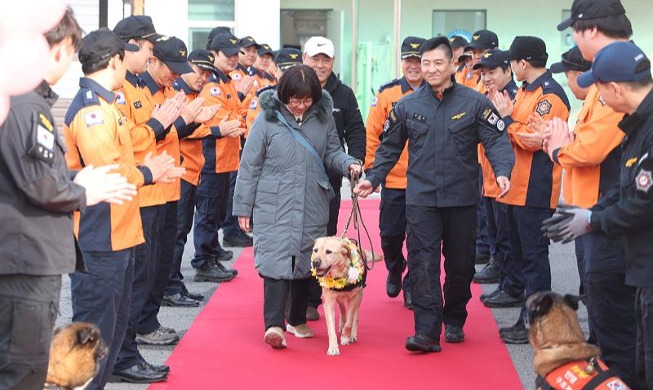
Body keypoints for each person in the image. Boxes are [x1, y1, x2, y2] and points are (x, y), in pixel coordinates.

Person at [0, 10, 137, 390]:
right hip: (25, 259)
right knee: (23, 369)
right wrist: (83, 190)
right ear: (56, 50)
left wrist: (75, 178)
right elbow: (38, 183)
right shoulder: (27, 104)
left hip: (25, 255)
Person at [355, 37, 514, 353]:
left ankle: (454, 317)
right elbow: (388, 149)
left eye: (437, 63)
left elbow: (497, 141)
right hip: (422, 199)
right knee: (423, 263)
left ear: (453, 64)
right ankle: (426, 332)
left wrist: (502, 170)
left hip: (462, 199)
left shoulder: (474, 102)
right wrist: (372, 179)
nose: (430, 69)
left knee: (460, 265)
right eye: (425, 63)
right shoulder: (407, 106)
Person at [63, 28, 180, 389]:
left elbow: (128, 147)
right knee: (94, 337)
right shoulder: (92, 111)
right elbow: (109, 171)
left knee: (110, 332)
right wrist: (148, 172)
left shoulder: (107, 103)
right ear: (114, 60)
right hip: (101, 236)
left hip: (118, 231)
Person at [233, 64, 361, 349]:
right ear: (283, 95)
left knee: (308, 260)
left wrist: (348, 163)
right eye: (295, 99)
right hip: (272, 202)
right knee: (275, 261)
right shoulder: (267, 119)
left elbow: (332, 152)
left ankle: (296, 318)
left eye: (306, 100)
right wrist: (243, 206)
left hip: (312, 198)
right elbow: (250, 165)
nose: (301, 105)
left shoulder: (323, 117)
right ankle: (274, 325)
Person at [542, 45, 638, 388]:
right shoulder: (600, 101)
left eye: (572, 74)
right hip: (593, 213)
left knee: (617, 323)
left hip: (608, 222)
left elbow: (588, 150)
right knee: (599, 305)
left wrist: (558, 148)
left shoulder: (609, 103)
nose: (570, 82)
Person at [112, 15, 183, 379]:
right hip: (134, 194)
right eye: (149, 48)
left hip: (152, 188)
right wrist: (158, 126)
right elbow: (126, 142)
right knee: (132, 280)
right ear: (130, 46)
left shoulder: (138, 86)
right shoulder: (119, 89)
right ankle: (121, 356)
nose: (152, 55)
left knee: (141, 276)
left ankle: (127, 352)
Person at [490, 36, 571, 344]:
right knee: (523, 256)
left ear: (523, 63)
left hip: (534, 189)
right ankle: (528, 317)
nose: (511, 68)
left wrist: (508, 120)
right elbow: (518, 130)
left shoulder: (551, 95)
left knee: (534, 258)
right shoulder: (525, 91)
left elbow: (534, 140)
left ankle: (538, 324)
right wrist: (511, 123)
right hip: (516, 187)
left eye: (513, 62)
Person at [303, 36, 366, 321]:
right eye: (315, 58)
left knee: (325, 237)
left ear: (332, 62)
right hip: (295, 180)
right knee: (298, 240)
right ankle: (298, 297)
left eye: (325, 59)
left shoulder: (344, 94)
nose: (319, 64)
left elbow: (355, 130)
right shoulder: (293, 88)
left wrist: (355, 163)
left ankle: (318, 295)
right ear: (304, 59)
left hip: (328, 180)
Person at [364, 36, 426, 309]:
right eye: (408, 60)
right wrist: (371, 170)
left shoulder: (437, 92)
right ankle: (394, 265)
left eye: (418, 61)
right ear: (401, 62)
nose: (413, 66)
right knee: (390, 235)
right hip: (394, 179)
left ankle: (412, 283)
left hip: (425, 182)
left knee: (420, 237)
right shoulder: (388, 94)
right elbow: (372, 134)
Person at [164, 49, 221, 307]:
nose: (204, 77)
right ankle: (169, 286)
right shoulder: (177, 94)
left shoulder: (193, 95)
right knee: (175, 233)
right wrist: (206, 126)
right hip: (179, 171)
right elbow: (175, 131)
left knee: (181, 231)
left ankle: (174, 282)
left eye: (208, 73)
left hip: (191, 170)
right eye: (200, 71)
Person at [470, 50, 522, 312]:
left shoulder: (512, 98)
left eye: (492, 73)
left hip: (506, 178)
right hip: (487, 176)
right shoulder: (487, 96)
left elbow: (517, 136)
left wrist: (505, 117)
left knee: (507, 237)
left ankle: (512, 286)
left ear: (507, 71)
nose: (486, 78)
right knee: (496, 235)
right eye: (483, 73)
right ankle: (504, 281)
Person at [191, 32, 245, 282]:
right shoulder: (212, 85)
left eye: (236, 54)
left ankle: (211, 256)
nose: (234, 58)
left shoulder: (227, 82)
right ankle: (203, 262)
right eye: (228, 54)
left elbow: (239, 113)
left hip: (226, 159)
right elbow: (223, 119)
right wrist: (239, 119)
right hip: (212, 159)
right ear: (214, 55)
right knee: (208, 212)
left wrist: (239, 118)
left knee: (216, 211)